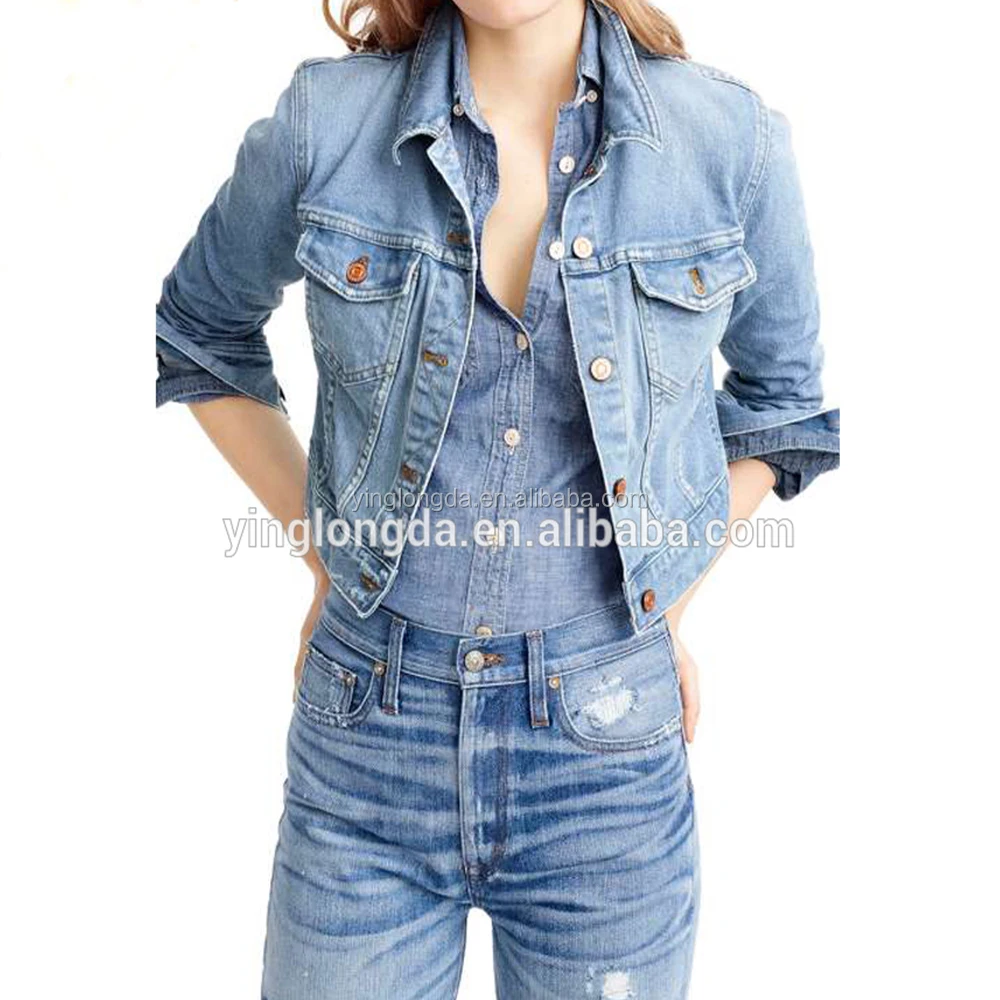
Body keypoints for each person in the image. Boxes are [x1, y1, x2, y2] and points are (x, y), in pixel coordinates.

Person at [155, 0, 840, 995]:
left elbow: (782, 407)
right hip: (366, 739)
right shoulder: (325, 123)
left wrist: (657, 597)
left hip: (607, 755)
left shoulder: (728, 142)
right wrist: (334, 555)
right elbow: (200, 334)